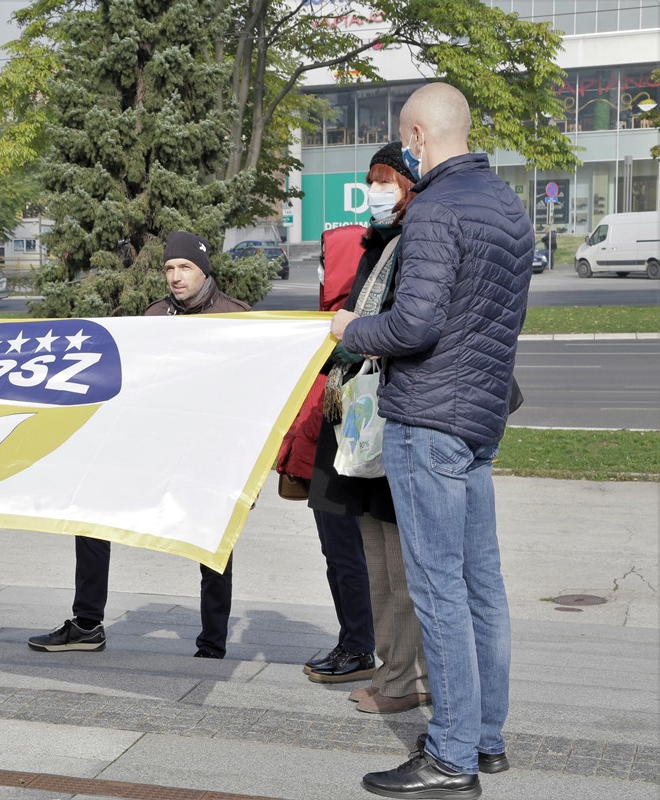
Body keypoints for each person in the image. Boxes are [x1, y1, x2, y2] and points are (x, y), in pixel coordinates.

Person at [332, 83, 529, 797]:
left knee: (438, 588)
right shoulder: (507, 205)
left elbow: (413, 326)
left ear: (416, 134)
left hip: (428, 419)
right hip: (480, 418)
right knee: (483, 587)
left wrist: (349, 329)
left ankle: (450, 757)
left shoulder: (437, 208)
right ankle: (485, 736)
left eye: (403, 141)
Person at [28, 230, 248, 659]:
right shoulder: (153, 315)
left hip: (207, 453)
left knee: (214, 543)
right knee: (89, 510)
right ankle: (87, 624)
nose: (176, 276)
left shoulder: (236, 317)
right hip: (153, 446)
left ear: (204, 270)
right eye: (169, 268)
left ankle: (212, 642)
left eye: (184, 267)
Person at [309, 142, 430, 712]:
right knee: (378, 557)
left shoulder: (418, 243)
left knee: (401, 565)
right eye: (372, 183)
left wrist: (350, 329)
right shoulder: (376, 245)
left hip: (398, 419)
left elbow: (402, 329)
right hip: (366, 426)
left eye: (387, 182)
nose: (377, 194)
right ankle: (393, 669)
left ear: (410, 186)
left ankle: (405, 678)